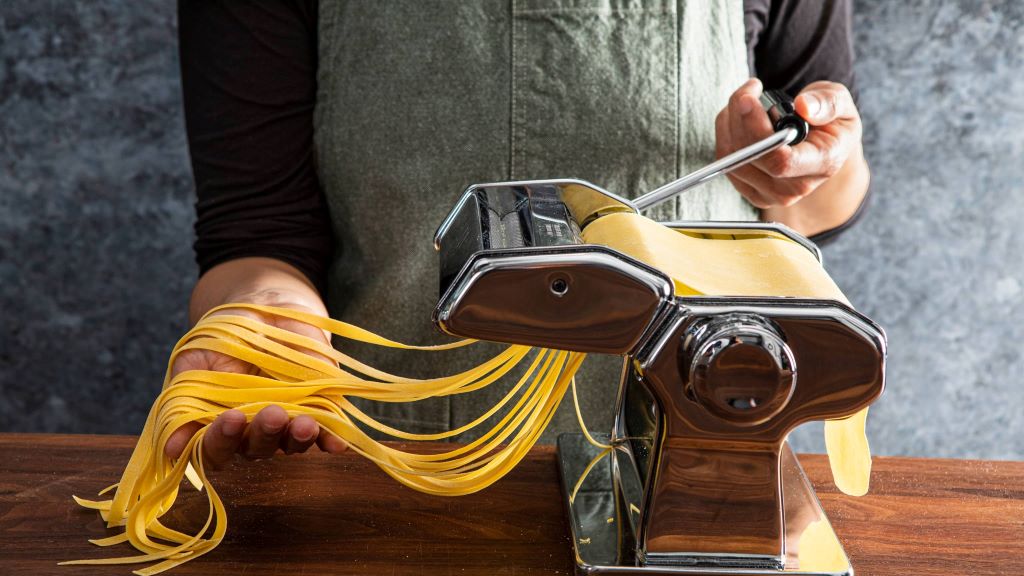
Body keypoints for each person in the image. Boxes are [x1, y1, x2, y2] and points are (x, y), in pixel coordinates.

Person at [168, 0, 870, 467]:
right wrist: (266, 324)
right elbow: (257, 230)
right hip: (386, 466)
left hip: (703, 459)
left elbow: (823, 209)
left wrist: (793, 170)